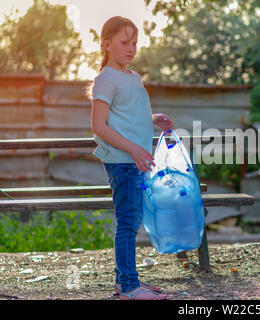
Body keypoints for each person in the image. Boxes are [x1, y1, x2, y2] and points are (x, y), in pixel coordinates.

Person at [88, 16, 173, 300]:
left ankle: (126, 280)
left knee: (132, 220)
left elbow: (128, 117)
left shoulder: (132, 77)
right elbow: (99, 127)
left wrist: (153, 118)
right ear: (106, 44)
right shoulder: (106, 78)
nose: (131, 48)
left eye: (135, 42)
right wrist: (134, 149)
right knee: (127, 222)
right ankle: (129, 288)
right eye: (124, 42)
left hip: (135, 160)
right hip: (122, 162)